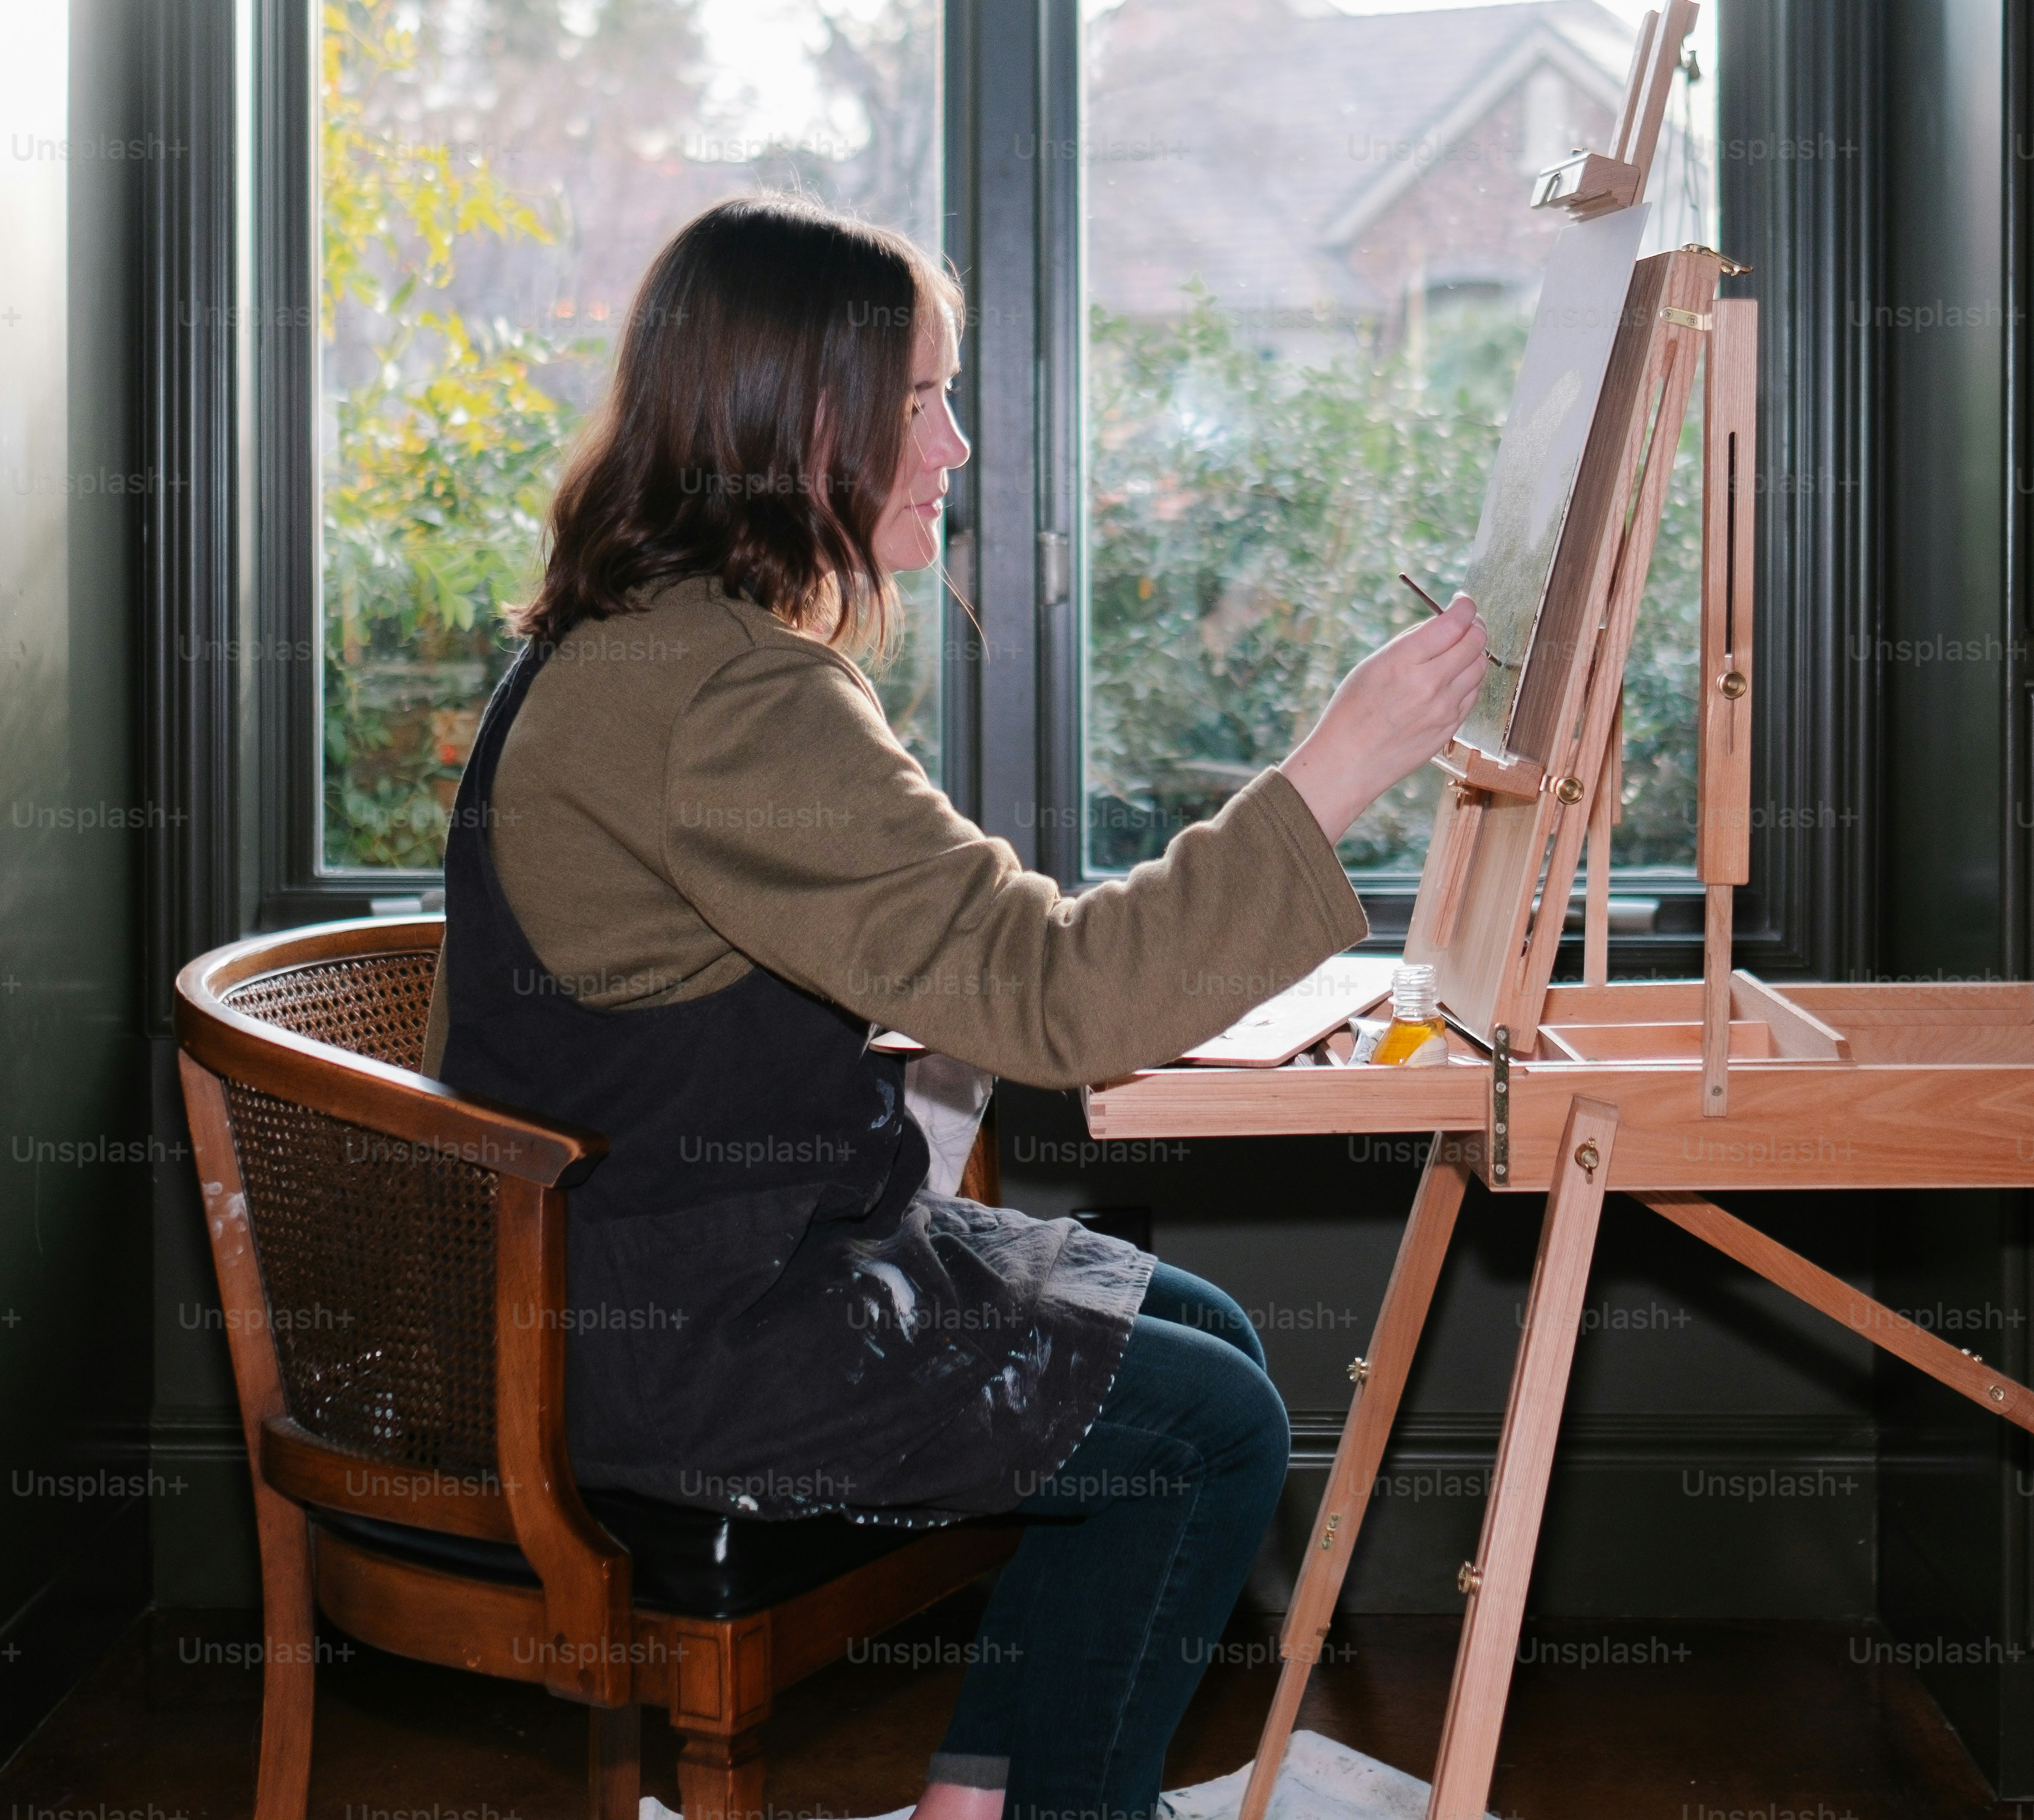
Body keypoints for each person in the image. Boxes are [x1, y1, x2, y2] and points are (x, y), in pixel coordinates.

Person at [425, 195, 1487, 1820]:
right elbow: (1052, 1000)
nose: (961, 444)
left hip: (665, 1266)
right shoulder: (724, 696)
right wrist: (1338, 768)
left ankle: (979, 1799)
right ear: (801, 416)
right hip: (684, 1328)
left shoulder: (649, 642)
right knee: (1208, 1431)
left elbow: (930, 961)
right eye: (924, 399)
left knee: (1198, 1336)